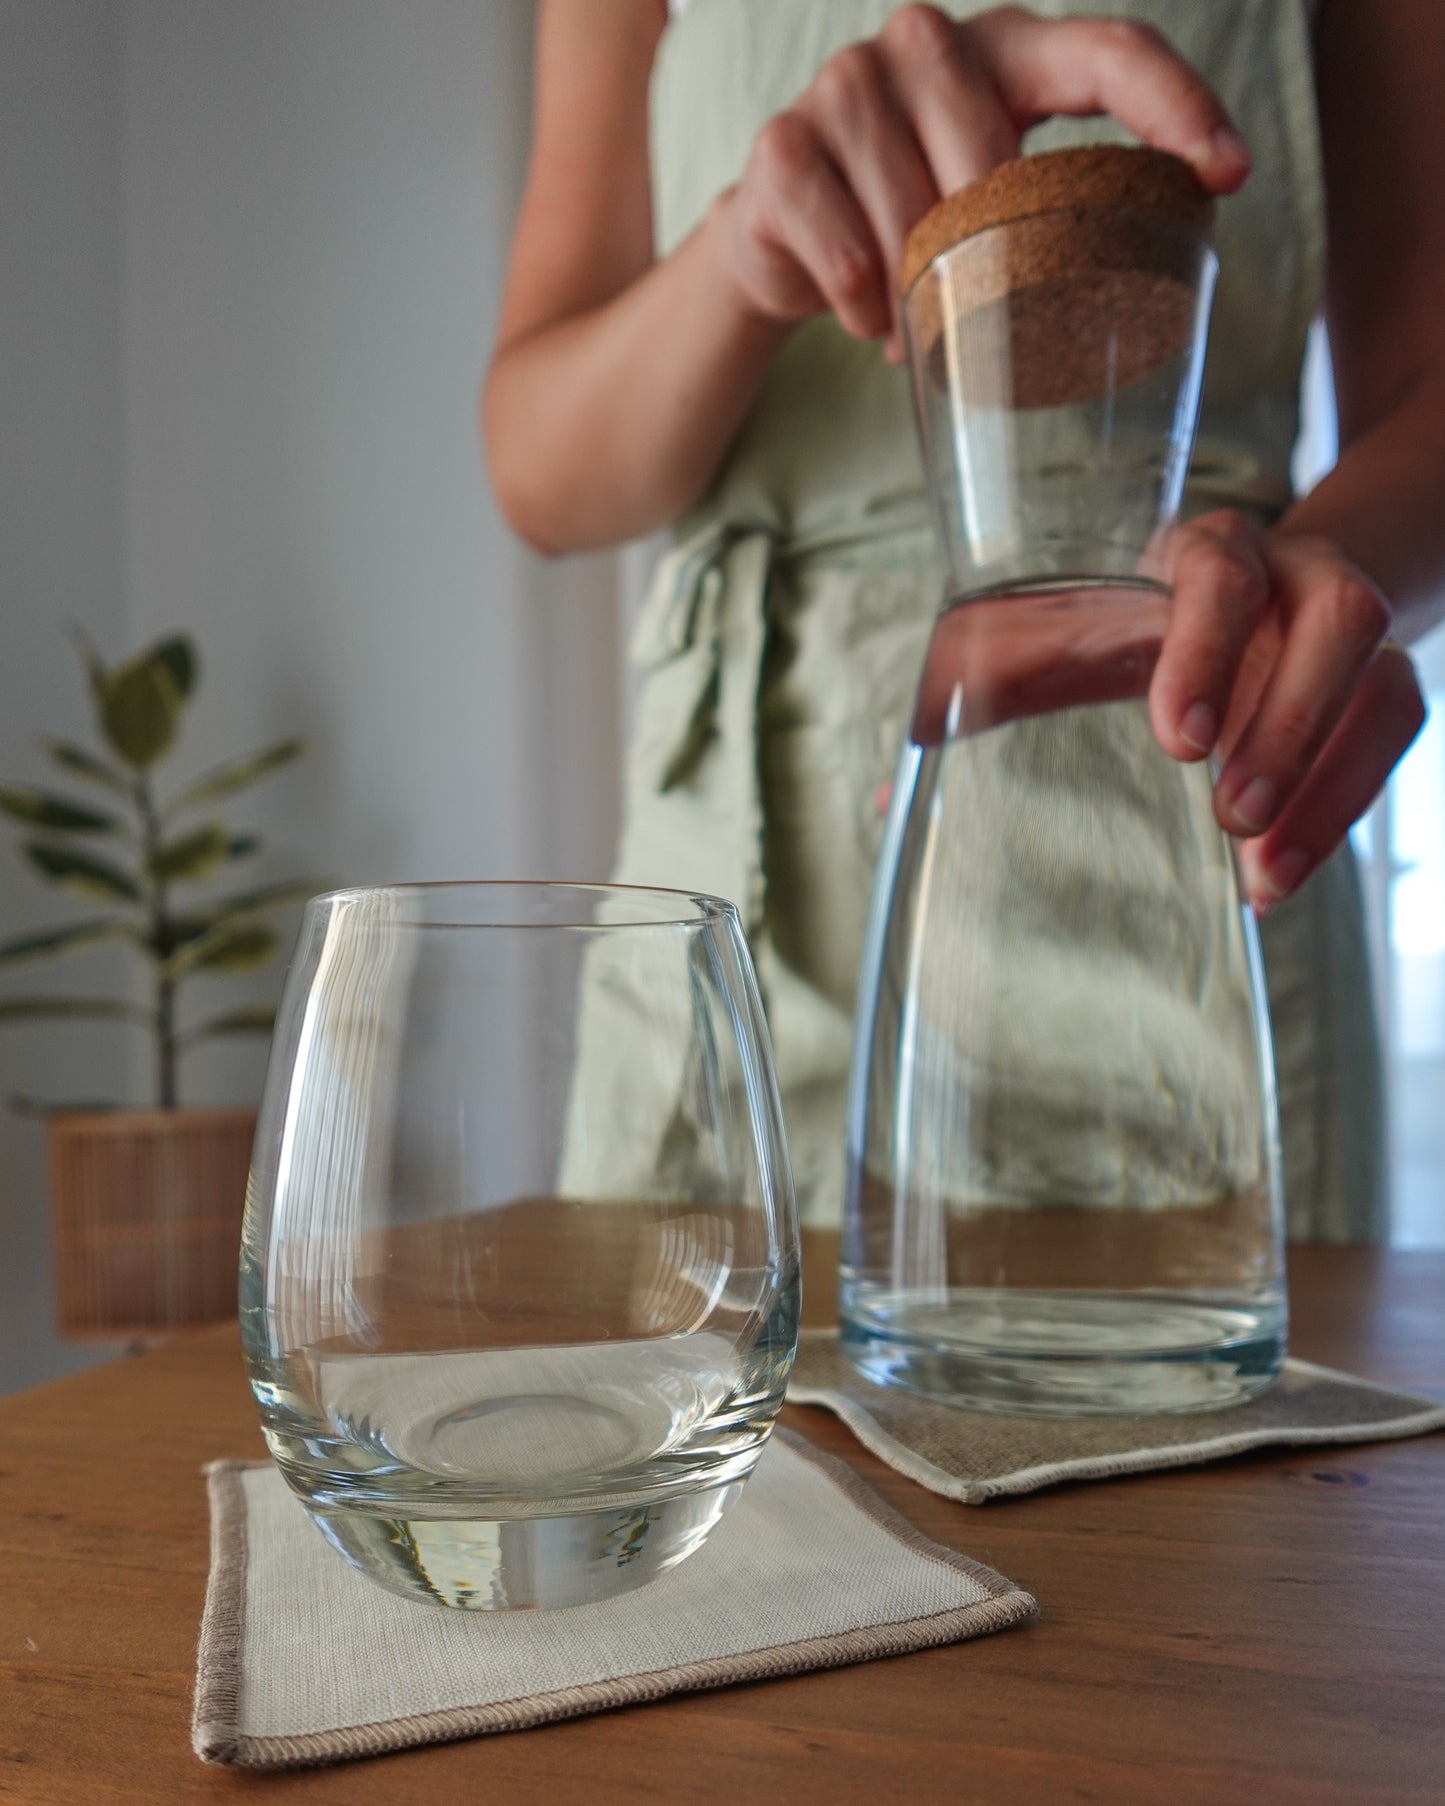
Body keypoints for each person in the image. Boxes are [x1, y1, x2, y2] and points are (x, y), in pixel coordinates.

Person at [484, 1, 1438, 1241]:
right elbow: (539, 469)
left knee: (1223, 1409)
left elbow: (1425, 377)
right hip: (736, 906)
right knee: (692, 1421)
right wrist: (742, 253)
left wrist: (1321, 559)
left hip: (1193, 825)